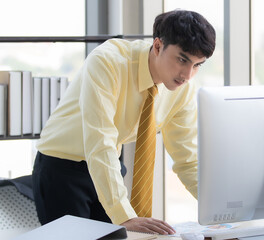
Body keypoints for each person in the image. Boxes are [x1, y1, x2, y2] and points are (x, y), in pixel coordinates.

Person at [32, 9, 216, 235]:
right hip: (62, 169)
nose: (187, 75)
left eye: (198, 65)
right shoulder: (107, 62)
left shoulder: (182, 90)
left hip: (109, 168)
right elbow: (100, 142)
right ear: (158, 46)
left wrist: (217, 207)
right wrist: (125, 215)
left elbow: (187, 160)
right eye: (182, 60)